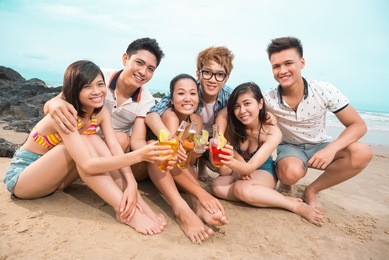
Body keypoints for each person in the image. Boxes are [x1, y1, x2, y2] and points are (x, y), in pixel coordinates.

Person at [3, 60, 173, 235]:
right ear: (74, 90)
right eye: (87, 87)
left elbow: (114, 149)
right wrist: (140, 155)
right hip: (24, 179)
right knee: (86, 143)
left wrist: (131, 184)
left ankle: (138, 204)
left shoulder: (101, 113)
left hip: (56, 181)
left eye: (100, 84)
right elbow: (87, 165)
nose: (97, 91)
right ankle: (124, 212)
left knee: (95, 141)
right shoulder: (66, 115)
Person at [264, 37, 373, 212]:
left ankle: (312, 190)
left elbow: (358, 125)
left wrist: (331, 149)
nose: (282, 70)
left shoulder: (324, 89)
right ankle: (286, 181)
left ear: (302, 62)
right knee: (290, 173)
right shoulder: (268, 98)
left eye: (288, 63)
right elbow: (240, 111)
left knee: (362, 152)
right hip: (291, 147)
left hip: (321, 145)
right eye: (276, 66)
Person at [44, 37, 164, 179]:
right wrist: (54, 103)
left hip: (111, 147)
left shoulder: (147, 101)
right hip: (80, 138)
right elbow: (52, 105)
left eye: (150, 69)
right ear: (125, 59)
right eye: (139, 63)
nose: (143, 72)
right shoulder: (98, 78)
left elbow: (136, 140)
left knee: (122, 139)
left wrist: (150, 151)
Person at [211, 82, 324, 226]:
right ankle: (266, 196)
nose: (242, 111)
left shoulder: (272, 132)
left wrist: (232, 162)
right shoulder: (234, 126)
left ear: (260, 103)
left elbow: (248, 168)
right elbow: (223, 114)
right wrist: (227, 156)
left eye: (247, 104)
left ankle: (294, 205)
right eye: (237, 106)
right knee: (217, 186)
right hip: (241, 169)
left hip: (264, 171)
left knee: (241, 188)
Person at [132, 73, 227, 243]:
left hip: (169, 170)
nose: (187, 98)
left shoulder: (196, 120)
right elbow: (147, 144)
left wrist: (197, 153)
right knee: (161, 149)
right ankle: (181, 210)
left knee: (181, 161)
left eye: (192, 93)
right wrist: (201, 191)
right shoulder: (169, 115)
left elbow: (186, 162)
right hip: (143, 166)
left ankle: (198, 204)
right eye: (181, 93)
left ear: (198, 97)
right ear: (172, 97)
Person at [145, 46, 234, 181]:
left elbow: (249, 108)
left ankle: (202, 163)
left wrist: (266, 117)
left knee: (225, 170)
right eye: (207, 72)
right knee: (173, 115)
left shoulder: (229, 96)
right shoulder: (189, 89)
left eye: (220, 74)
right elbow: (153, 114)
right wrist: (169, 138)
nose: (213, 79)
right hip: (188, 138)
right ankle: (192, 164)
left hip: (211, 140)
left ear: (226, 78)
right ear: (198, 73)